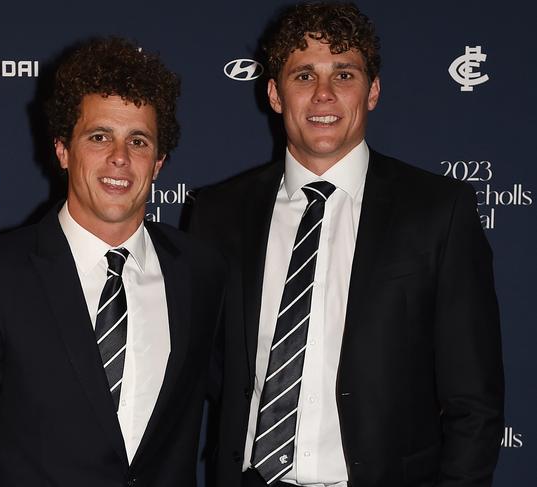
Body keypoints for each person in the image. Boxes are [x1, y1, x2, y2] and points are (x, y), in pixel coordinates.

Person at [186, 3, 504, 487]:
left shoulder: (440, 211)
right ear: (274, 93)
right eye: (303, 75)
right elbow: (206, 369)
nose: (324, 94)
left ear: (372, 91)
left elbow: (474, 404)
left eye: (345, 73)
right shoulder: (217, 214)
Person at [0, 37, 225, 487]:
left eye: (138, 141)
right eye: (99, 136)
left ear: (159, 162)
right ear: (63, 150)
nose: (120, 158)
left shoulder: (200, 273)